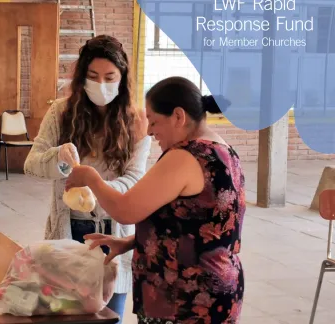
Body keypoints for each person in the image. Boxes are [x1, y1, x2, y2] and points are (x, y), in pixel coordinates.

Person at [65, 76, 244, 323]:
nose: (149, 131)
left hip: (185, 301)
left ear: (178, 116)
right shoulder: (222, 150)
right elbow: (199, 226)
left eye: (154, 121)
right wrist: (131, 241)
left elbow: (126, 210)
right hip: (214, 291)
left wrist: (92, 178)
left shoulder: (184, 156)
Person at [23, 35, 152, 323]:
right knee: (64, 312)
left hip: (113, 236)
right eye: (93, 76)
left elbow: (135, 178)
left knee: (109, 317)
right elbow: (32, 165)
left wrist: (98, 188)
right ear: (82, 77)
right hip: (70, 228)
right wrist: (59, 159)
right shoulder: (61, 112)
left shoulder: (135, 121)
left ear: (122, 78)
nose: (101, 85)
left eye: (110, 77)